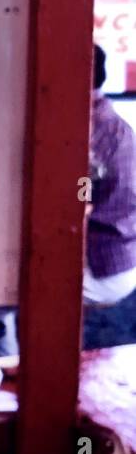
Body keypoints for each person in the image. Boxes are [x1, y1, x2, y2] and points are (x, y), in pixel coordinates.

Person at [85, 44, 136, 306]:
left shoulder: (90, 129)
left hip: (101, 264)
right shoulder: (109, 122)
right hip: (119, 254)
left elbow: (77, 199)